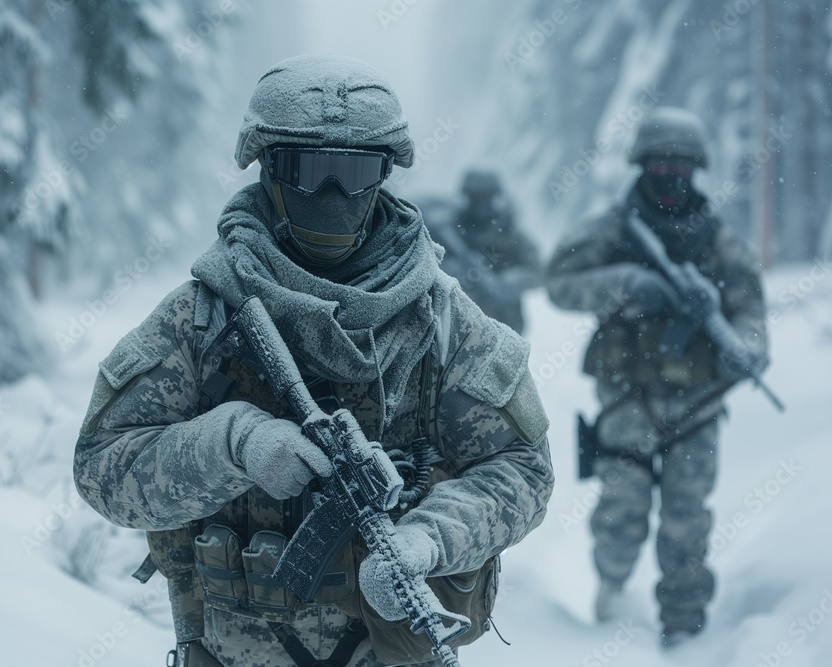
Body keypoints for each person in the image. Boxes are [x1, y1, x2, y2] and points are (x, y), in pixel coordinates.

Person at [74, 55, 554, 667]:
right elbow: (100, 468)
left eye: (353, 174)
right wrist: (233, 444)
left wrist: (427, 541)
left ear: (383, 176)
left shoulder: (442, 321)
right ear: (269, 171)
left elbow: (522, 471)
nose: (331, 194)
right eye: (307, 170)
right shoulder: (205, 315)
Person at [546, 107, 769, 647]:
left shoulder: (719, 243)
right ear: (642, 165)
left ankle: (684, 630)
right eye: (660, 163)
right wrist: (624, 284)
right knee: (621, 517)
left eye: (681, 165)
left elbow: (752, 316)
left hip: (698, 404)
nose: (670, 175)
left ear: (696, 169)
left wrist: (746, 349)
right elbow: (557, 281)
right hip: (627, 400)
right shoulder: (612, 229)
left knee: (686, 525)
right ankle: (612, 595)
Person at [424, 170, 540, 334]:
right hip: (455, 325)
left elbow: (537, 269)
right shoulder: (450, 230)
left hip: (503, 326)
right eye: (475, 197)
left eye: (485, 197)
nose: (480, 204)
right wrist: (451, 270)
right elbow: (426, 264)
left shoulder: (509, 234)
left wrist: (509, 282)